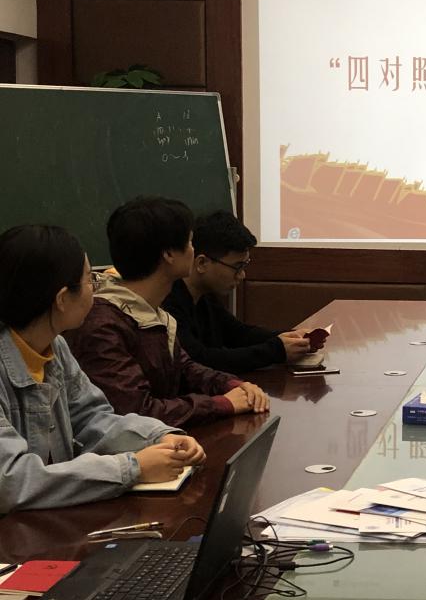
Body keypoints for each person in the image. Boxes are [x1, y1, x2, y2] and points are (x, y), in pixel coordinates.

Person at [0, 224, 206, 513]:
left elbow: (91, 418)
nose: (96, 289)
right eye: (90, 279)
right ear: (62, 299)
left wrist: (159, 437)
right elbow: (10, 481)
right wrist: (132, 468)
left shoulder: (54, 346)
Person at [66, 197, 270, 428]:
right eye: (190, 242)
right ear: (169, 255)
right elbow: (136, 412)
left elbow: (185, 368)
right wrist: (221, 404)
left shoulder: (154, 312)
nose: (194, 250)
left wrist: (232, 385)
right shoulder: (104, 325)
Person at [162, 211, 311, 373]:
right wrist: (276, 350)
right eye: (237, 267)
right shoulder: (168, 304)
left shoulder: (204, 295)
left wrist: (292, 337)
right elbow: (200, 360)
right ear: (202, 263)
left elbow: (238, 333)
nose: (242, 275)